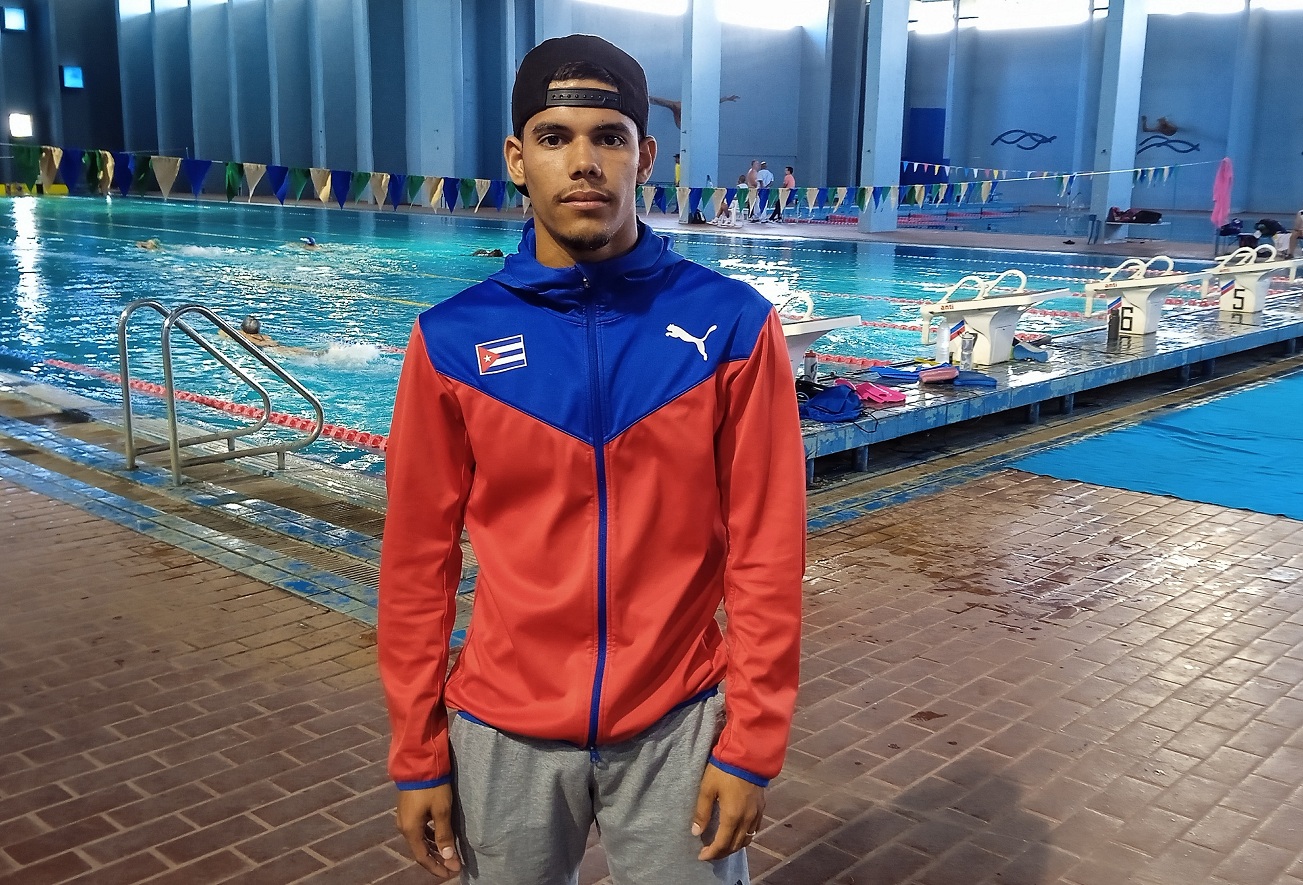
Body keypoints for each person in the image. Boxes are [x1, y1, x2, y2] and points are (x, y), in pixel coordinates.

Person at [379, 33, 805, 885]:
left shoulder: (731, 326)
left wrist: (752, 741)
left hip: (678, 721)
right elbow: (417, 561)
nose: (583, 162)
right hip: (503, 727)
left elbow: (766, 548)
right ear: (517, 158)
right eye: (554, 137)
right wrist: (417, 751)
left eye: (608, 137)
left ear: (643, 155)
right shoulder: (451, 341)